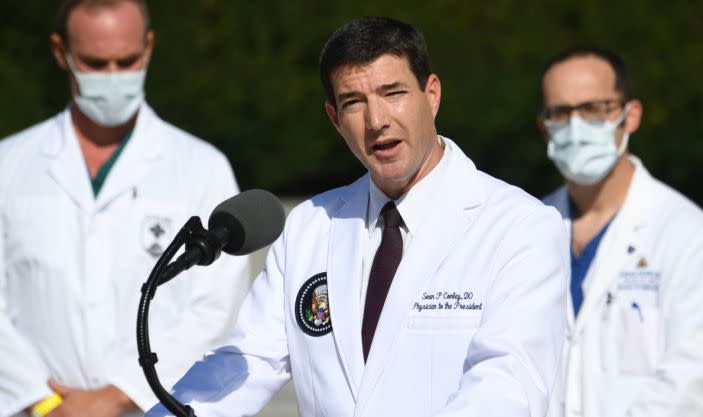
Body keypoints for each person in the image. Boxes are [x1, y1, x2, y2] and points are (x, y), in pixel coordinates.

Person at [147, 16, 568, 417]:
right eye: (354, 102)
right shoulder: (310, 225)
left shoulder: (521, 227)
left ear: (432, 95)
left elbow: (508, 387)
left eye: (394, 93)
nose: (377, 121)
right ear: (334, 118)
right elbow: (250, 361)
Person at [0, 1, 251, 416]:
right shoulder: (10, 165)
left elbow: (216, 309)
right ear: (60, 52)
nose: (115, 77)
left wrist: (117, 396)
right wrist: (42, 402)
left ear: (148, 47)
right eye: (96, 64)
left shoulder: (202, 167)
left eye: (128, 60)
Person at [537, 47, 703, 417]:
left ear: (631, 116)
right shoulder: (528, 226)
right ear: (544, 127)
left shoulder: (688, 234)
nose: (576, 126)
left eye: (594, 109)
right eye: (561, 113)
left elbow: (690, 380)